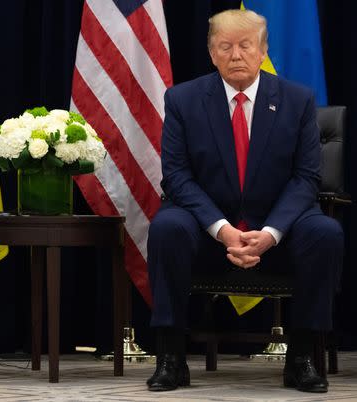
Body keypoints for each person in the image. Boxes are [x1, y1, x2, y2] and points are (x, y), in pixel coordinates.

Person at [146, 9, 343, 393]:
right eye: (225, 46)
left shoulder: (297, 100)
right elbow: (177, 177)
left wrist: (270, 233)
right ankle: (171, 357)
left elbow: (306, 178)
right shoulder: (183, 100)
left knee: (325, 232)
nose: (236, 55)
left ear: (263, 50)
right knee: (166, 227)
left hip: (277, 232)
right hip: (206, 232)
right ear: (211, 52)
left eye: (245, 45)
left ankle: (302, 358)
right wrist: (221, 230)